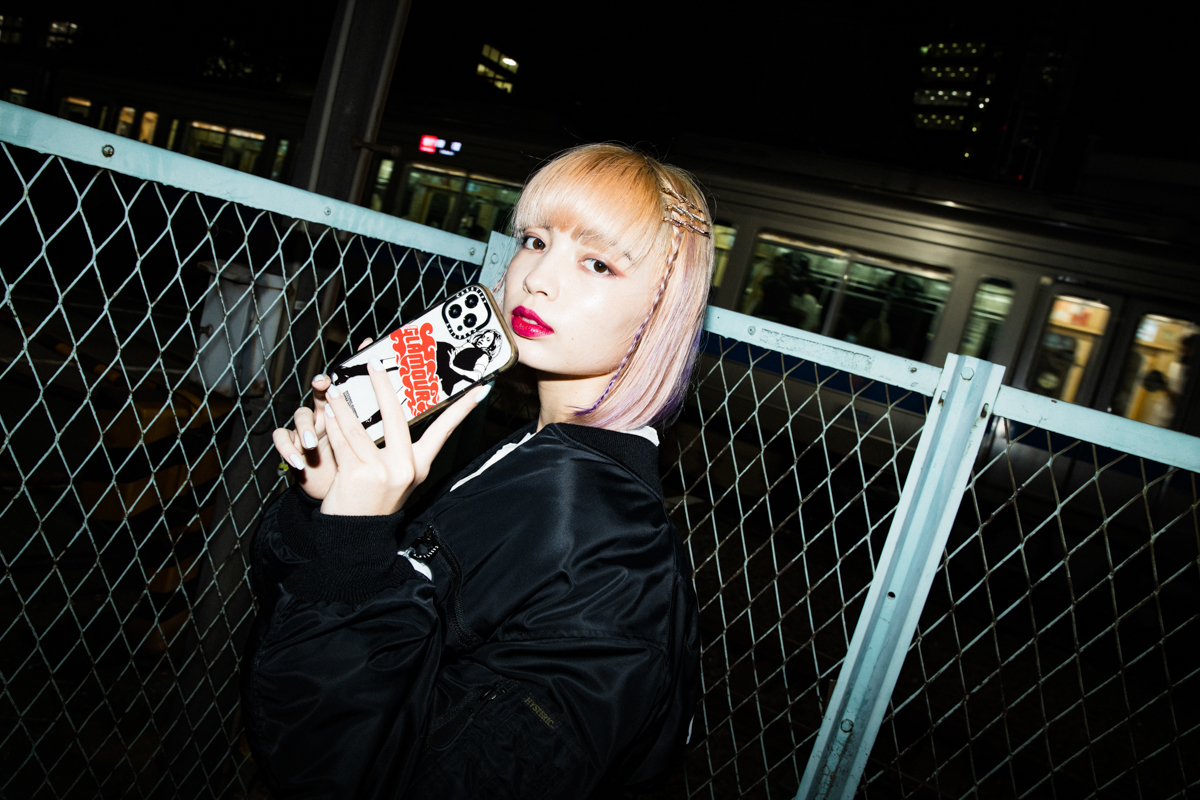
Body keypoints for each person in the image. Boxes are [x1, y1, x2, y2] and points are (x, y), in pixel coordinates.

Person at [242, 144, 710, 798]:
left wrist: (357, 541)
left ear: (661, 313)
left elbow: (360, 774)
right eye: (535, 241)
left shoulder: (616, 566)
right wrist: (331, 508)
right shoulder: (529, 455)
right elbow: (312, 634)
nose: (537, 278)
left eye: (598, 263)